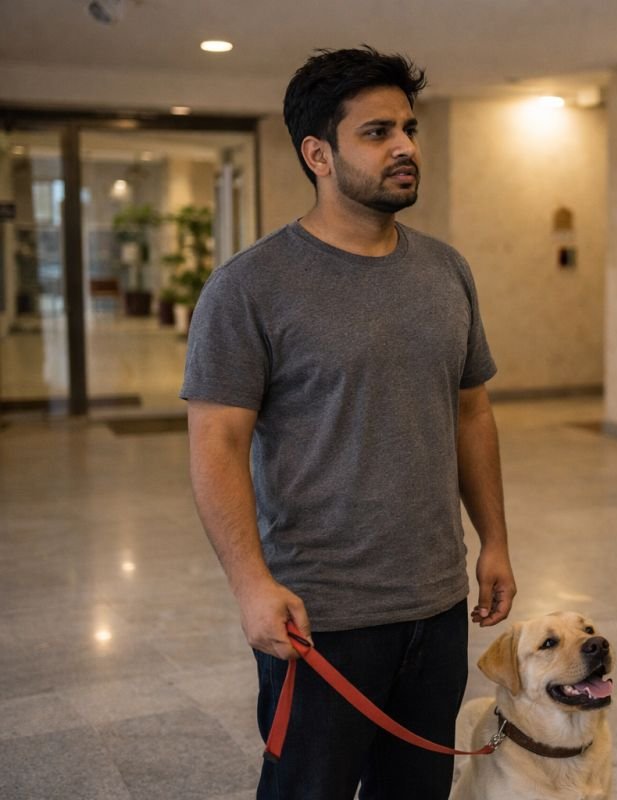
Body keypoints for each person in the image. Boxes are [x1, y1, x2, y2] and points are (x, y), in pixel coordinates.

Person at [182, 46, 516, 800]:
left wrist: (493, 539)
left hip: (435, 605)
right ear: (318, 154)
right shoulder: (250, 288)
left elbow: (471, 410)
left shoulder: (446, 270)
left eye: (408, 127)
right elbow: (218, 443)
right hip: (318, 616)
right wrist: (249, 585)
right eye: (375, 132)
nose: (404, 146)